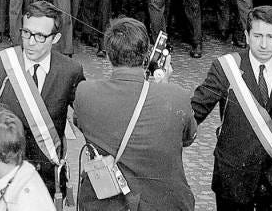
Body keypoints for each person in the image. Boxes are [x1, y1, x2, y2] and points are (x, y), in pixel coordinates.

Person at [191, 4, 272, 211]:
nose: (263, 44)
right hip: (235, 178)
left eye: (270, 37)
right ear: (246, 36)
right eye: (257, 36)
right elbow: (195, 111)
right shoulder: (226, 67)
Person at [73, 17, 197, 211]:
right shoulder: (176, 95)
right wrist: (163, 88)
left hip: (108, 203)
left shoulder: (85, 92)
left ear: (108, 55)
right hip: (162, 203)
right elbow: (187, 138)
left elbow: (80, 123)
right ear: (147, 54)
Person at [0, 0, 84, 201]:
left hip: (47, 182)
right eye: (26, 33)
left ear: (56, 38)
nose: (31, 42)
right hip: (3, 181)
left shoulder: (71, 71)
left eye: (40, 36)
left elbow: (85, 117)